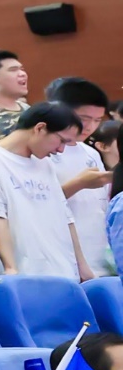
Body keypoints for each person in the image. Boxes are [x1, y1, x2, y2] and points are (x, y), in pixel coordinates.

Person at [0, 102, 93, 281]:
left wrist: (83, 267)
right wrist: (10, 267)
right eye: (61, 140)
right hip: (24, 272)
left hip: (64, 270)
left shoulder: (45, 163)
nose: (60, 150)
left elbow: (66, 217)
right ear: (40, 128)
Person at [46, 77, 116, 276]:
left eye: (97, 120)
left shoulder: (90, 153)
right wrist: (80, 183)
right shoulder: (44, 151)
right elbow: (37, 203)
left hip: (97, 248)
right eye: (84, 118)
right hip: (63, 250)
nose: (90, 126)